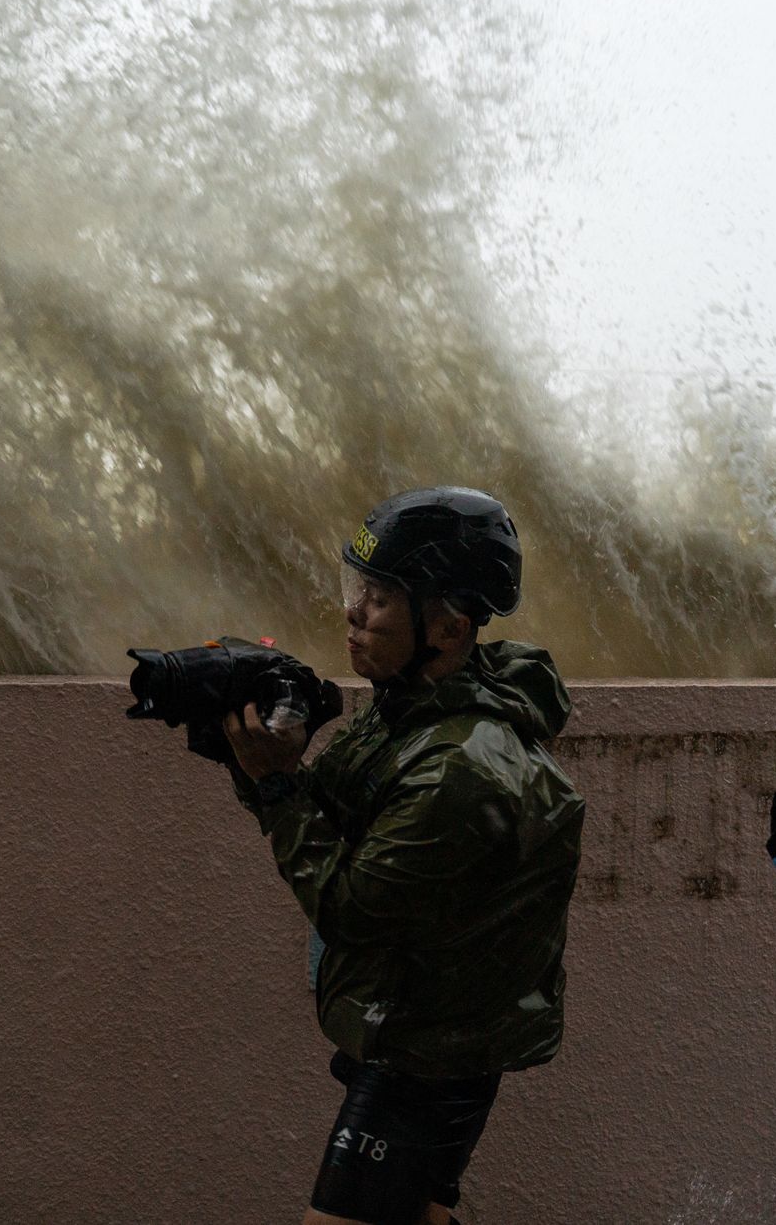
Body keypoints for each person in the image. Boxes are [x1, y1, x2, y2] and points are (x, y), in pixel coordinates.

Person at [221, 486, 585, 1225]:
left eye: (381, 597)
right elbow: (320, 808)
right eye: (357, 588)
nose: (354, 612)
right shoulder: (405, 710)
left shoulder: (460, 764)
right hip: (416, 1019)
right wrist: (257, 756)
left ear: (448, 627)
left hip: (432, 1049)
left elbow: (349, 906)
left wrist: (277, 785)